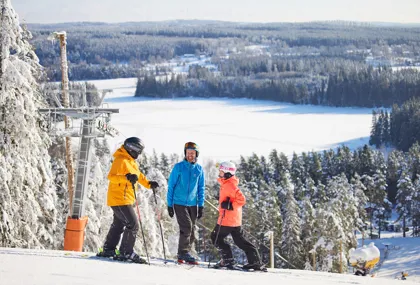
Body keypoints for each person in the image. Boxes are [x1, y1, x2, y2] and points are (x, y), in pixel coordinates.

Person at [97, 137, 159, 263]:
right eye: (138, 151)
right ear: (132, 148)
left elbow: (138, 176)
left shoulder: (131, 162)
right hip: (119, 198)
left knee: (119, 225)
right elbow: (112, 177)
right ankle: (126, 252)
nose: (139, 154)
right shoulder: (121, 160)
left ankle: (108, 249)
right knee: (133, 224)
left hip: (124, 198)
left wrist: (148, 184)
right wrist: (126, 177)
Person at [210, 161, 266, 271]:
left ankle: (228, 260)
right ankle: (255, 262)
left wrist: (230, 205)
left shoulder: (230, 185)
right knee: (240, 241)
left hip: (227, 219)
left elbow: (242, 199)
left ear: (227, 173)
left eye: (221, 171)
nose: (219, 173)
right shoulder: (227, 183)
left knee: (216, 237)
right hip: (234, 220)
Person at [167, 142, 205, 263]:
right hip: (179, 203)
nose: (190, 155)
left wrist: (201, 205)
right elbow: (171, 185)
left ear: (196, 154)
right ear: (185, 153)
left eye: (192, 153)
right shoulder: (179, 167)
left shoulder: (199, 169)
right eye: (188, 153)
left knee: (192, 230)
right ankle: (184, 252)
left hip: (193, 204)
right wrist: (169, 204)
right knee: (187, 227)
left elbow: (201, 188)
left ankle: (182, 253)